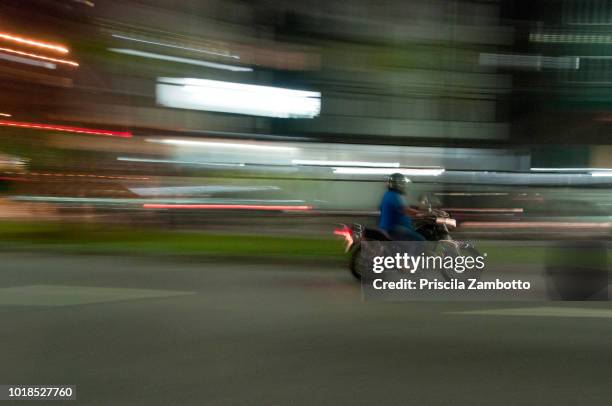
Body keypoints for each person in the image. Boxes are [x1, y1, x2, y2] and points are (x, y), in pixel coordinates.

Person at [378, 173, 425, 241]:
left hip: (391, 228)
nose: (404, 186)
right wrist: (421, 214)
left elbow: (401, 207)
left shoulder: (388, 194)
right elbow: (406, 210)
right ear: (398, 184)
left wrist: (416, 208)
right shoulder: (394, 196)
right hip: (394, 229)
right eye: (402, 183)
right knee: (421, 240)